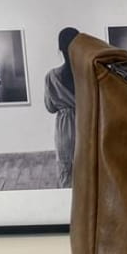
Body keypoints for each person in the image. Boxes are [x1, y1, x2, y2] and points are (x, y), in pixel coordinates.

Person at [44, 27, 79, 188]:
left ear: (60, 48)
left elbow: (50, 107)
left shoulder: (52, 76)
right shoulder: (89, 74)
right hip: (87, 123)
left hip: (65, 127)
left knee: (66, 169)